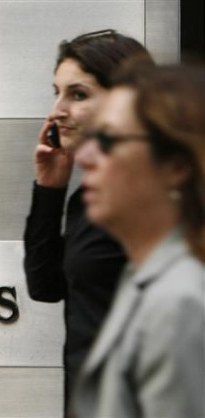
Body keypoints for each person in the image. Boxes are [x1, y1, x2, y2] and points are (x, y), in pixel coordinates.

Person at [23, 30, 153, 412]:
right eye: (57, 92)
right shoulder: (90, 199)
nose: (57, 110)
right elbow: (46, 286)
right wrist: (50, 188)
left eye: (78, 95)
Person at [72, 64, 205, 417]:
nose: (84, 158)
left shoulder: (180, 302)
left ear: (176, 166)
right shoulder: (144, 276)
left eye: (107, 141)